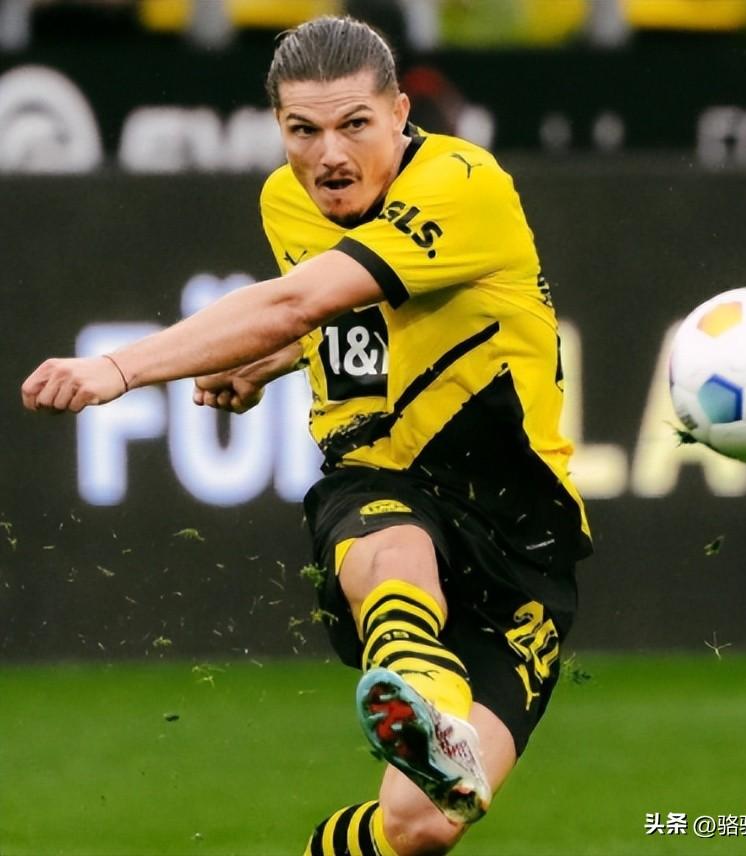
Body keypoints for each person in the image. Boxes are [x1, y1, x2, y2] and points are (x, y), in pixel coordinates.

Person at [21, 16, 592, 856]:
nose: (329, 155)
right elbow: (340, 311)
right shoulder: (285, 201)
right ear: (278, 128)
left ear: (399, 112)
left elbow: (301, 300)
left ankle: (401, 754)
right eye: (303, 130)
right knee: (395, 555)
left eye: (354, 124)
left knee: (421, 826)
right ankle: (422, 698)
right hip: (381, 479)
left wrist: (121, 367)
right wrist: (278, 359)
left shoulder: (466, 184)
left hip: (522, 525)